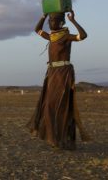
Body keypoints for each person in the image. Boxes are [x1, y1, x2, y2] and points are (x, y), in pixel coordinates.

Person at [27, 10, 91, 150]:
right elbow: (37, 29)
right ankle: (53, 138)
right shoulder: (51, 37)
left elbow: (83, 36)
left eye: (53, 20)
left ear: (61, 22)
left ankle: (61, 139)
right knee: (49, 106)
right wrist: (43, 15)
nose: (51, 23)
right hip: (52, 73)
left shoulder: (66, 36)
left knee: (61, 107)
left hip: (63, 74)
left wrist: (73, 20)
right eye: (50, 21)